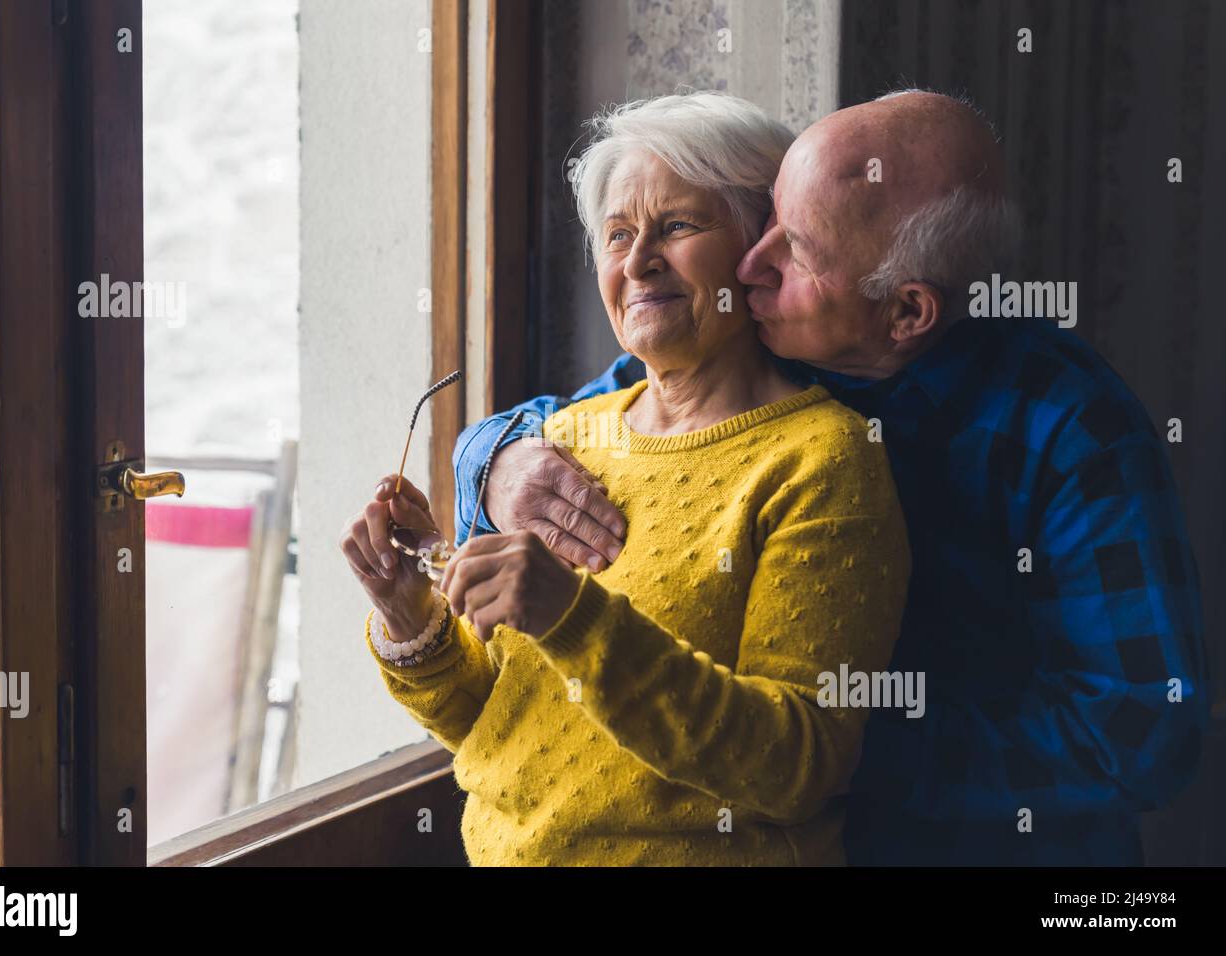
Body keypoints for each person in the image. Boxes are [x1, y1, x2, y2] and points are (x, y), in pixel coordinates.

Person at [454, 90, 1209, 865]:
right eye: (768, 218)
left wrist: (829, 743)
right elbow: (579, 420)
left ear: (907, 312)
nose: (751, 261)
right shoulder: (760, 339)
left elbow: (1144, 735)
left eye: (797, 250)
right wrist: (491, 464)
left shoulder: (1069, 425)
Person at [341, 92, 910, 865]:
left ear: (757, 250)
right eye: (617, 234)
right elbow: (496, 724)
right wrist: (408, 616)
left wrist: (574, 616)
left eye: (676, 226)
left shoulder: (822, 460)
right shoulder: (560, 443)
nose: (637, 261)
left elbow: (795, 767)